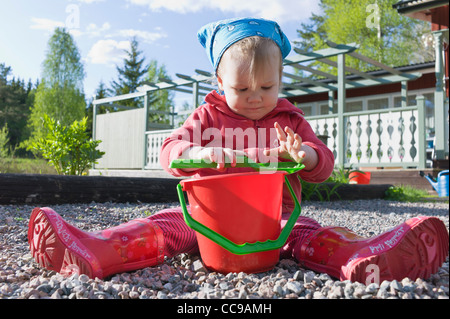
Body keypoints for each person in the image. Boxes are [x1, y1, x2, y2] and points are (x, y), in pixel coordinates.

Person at [28, 18, 448, 284]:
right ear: (219, 82)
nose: (254, 97)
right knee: (169, 224)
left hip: (273, 218)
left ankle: (362, 257)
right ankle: (98, 249)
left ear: (281, 80)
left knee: (305, 233)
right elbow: (170, 150)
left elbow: (326, 163)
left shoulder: (288, 120)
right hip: (206, 217)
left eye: (267, 87)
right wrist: (197, 152)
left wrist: (304, 156)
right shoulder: (207, 116)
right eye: (241, 89)